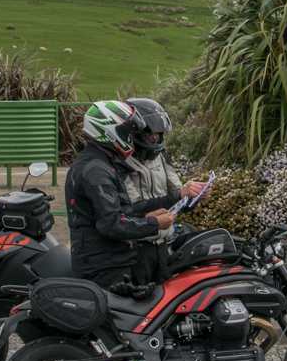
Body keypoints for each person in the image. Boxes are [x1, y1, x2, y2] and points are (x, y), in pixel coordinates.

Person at [63, 101, 205, 296]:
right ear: (109, 132)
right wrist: (153, 224)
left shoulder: (102, 163)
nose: (130, 139)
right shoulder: (97, 170)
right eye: (126, 133)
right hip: (101, 266)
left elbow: (122, 212)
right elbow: (112, 224)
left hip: (112, 261)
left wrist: (147, 217)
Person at [120, 97, 186, 245]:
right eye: (149, 134)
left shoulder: (162, 157)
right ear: (134, 132)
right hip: (137, 243)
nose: (154, 138)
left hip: (162, 241)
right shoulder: (121, 161)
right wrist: (179, 196)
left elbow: (178, 194)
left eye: (157, 134)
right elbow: (133, 207)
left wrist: (194, 196)